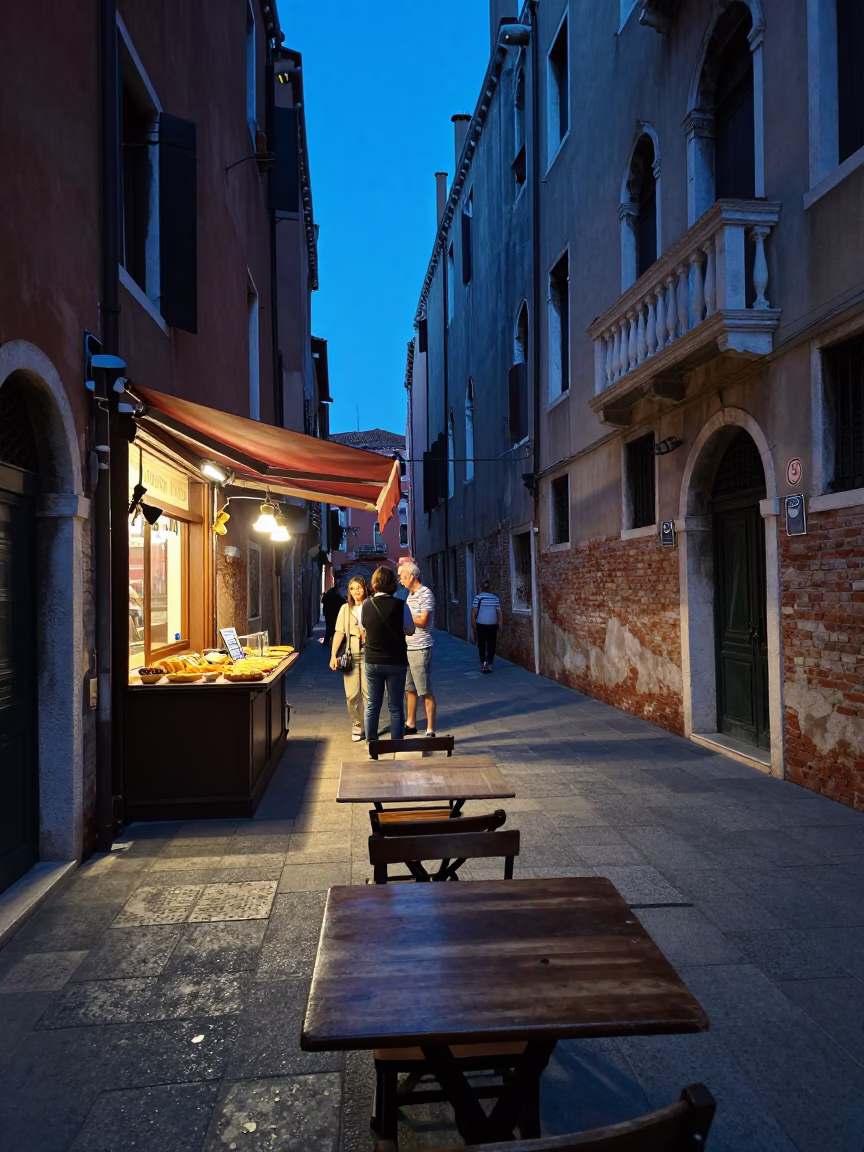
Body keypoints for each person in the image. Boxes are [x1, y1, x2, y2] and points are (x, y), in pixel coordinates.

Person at [360, 566, 415, 754]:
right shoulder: (401, 605)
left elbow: (363, 628)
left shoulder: (366, 605)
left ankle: (371, 743)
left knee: (373, 704)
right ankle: (396, 745)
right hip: (396, 661)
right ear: (392, 583)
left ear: (374, 584)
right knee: (396, 705)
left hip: (372, 660)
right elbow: (411, 630)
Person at [398, 561, 437, 737]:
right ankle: (410, 724)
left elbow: (423, 621)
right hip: (408, 647)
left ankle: (430, 728)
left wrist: (404, 616)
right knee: (409, 688)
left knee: (424, 689)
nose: (401, 580)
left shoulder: (425, 594)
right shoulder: (410, 595)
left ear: (413, 576)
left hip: (421, 648)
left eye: (403, 577)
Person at [329, 575, 369, 742]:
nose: (355, 591)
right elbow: (339, 632)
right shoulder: (345, 609)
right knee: (352, 694)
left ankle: (369, 726)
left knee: (369, 694)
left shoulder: (371, 605)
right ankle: (356, 725)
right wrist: (333, 655)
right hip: (351, 654)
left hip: (369, 653)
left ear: (364, 588)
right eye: (352, 588)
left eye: (358, 587)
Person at [471, 578, 503, 673]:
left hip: (481, 624)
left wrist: (473, 624)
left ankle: (483, 664)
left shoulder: (478, 598)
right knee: (491, 645)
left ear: (481, 588)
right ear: (491, 588)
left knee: (481, 645)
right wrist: (500, 623)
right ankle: (488, 664)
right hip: (492, 624)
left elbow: (474, 613)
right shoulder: (495, 598)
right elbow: (499, 612)